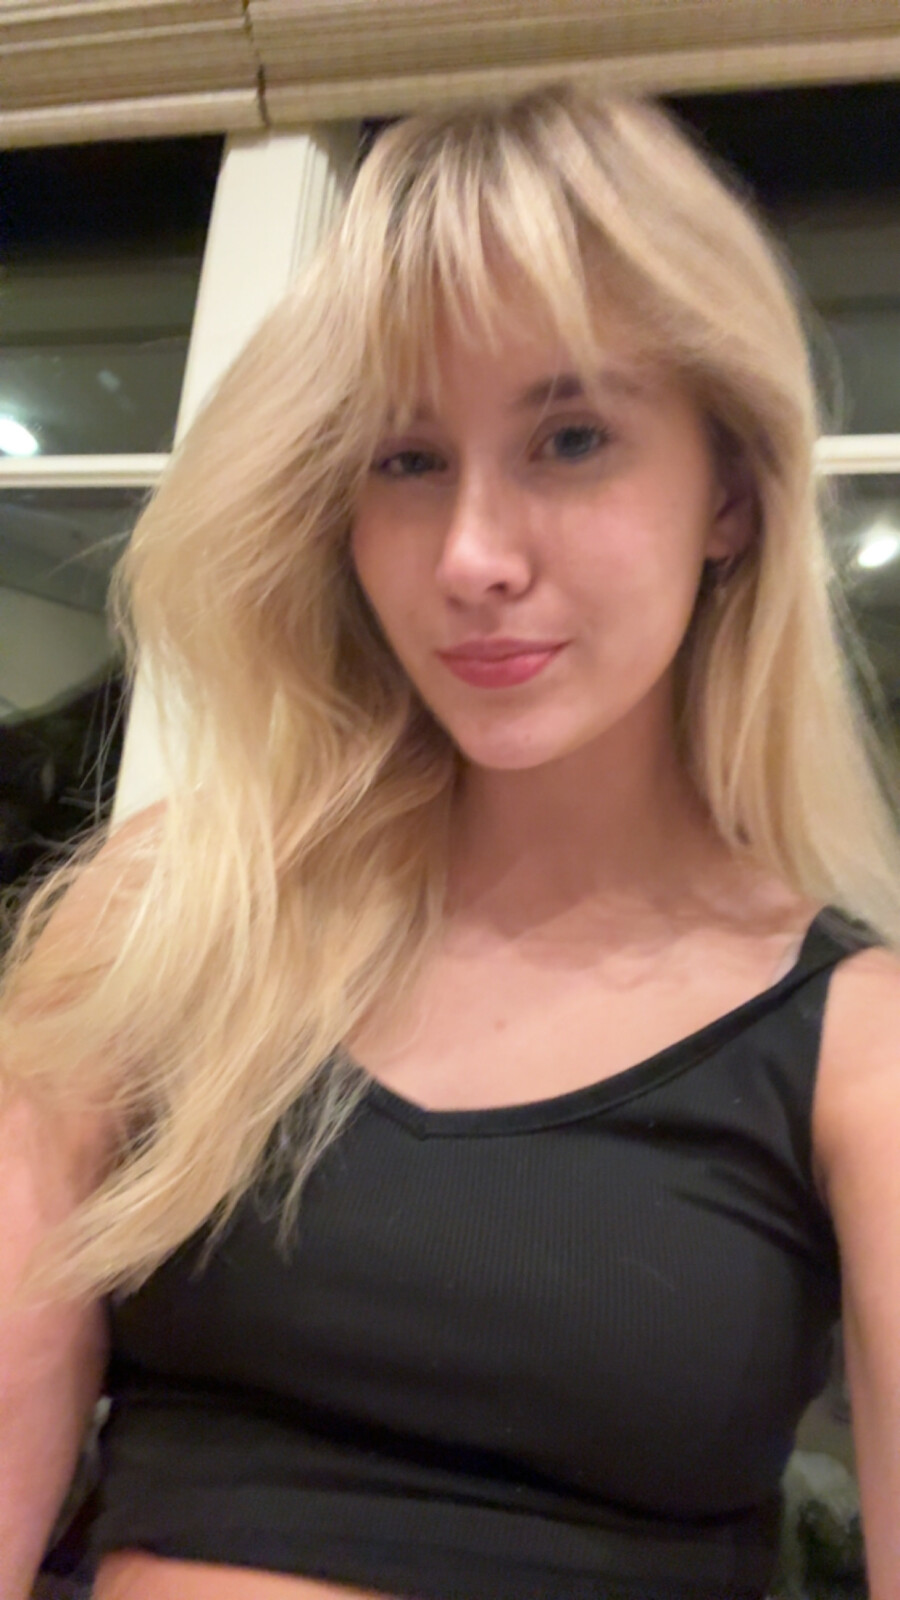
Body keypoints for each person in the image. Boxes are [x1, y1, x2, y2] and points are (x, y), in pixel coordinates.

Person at [2, 84, 899, 1600]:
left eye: (571, 437)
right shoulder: (167, 917)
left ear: (732, 496)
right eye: (407, 460)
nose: (474, 556)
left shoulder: (858, 1052)